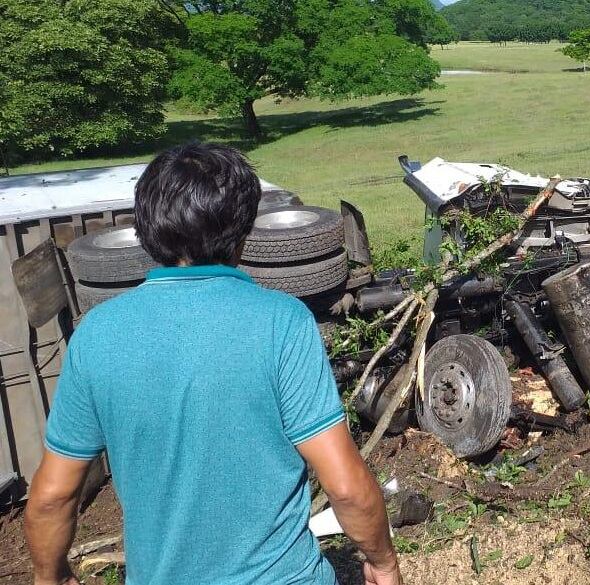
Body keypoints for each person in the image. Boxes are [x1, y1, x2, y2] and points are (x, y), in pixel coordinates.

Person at [24, 143, 402, 585]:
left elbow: (52, 498)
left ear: (147, 232)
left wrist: (50, 576)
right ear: (244, 231)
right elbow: (346, 488)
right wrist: (383, 562)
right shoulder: (282, 322)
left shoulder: (96, 336)